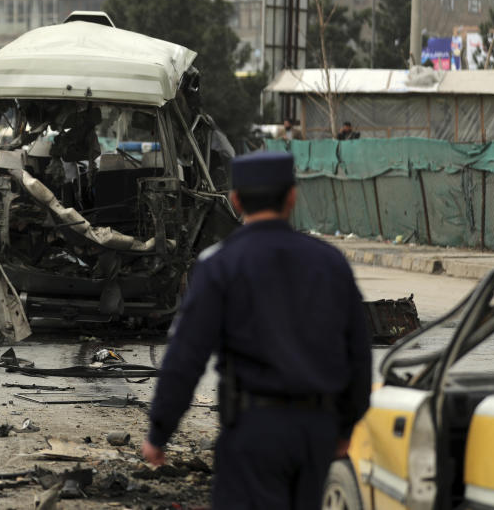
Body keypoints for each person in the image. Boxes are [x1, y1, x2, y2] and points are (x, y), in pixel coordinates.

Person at [142, 151, 372, 509]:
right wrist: (345, 428)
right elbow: (359, 352)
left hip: (254, 432)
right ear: (292, 197)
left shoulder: (220, 264)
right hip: (317, 432)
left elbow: (186, 357)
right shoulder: (330, 262)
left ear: (235, 201)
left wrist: (160, 431)